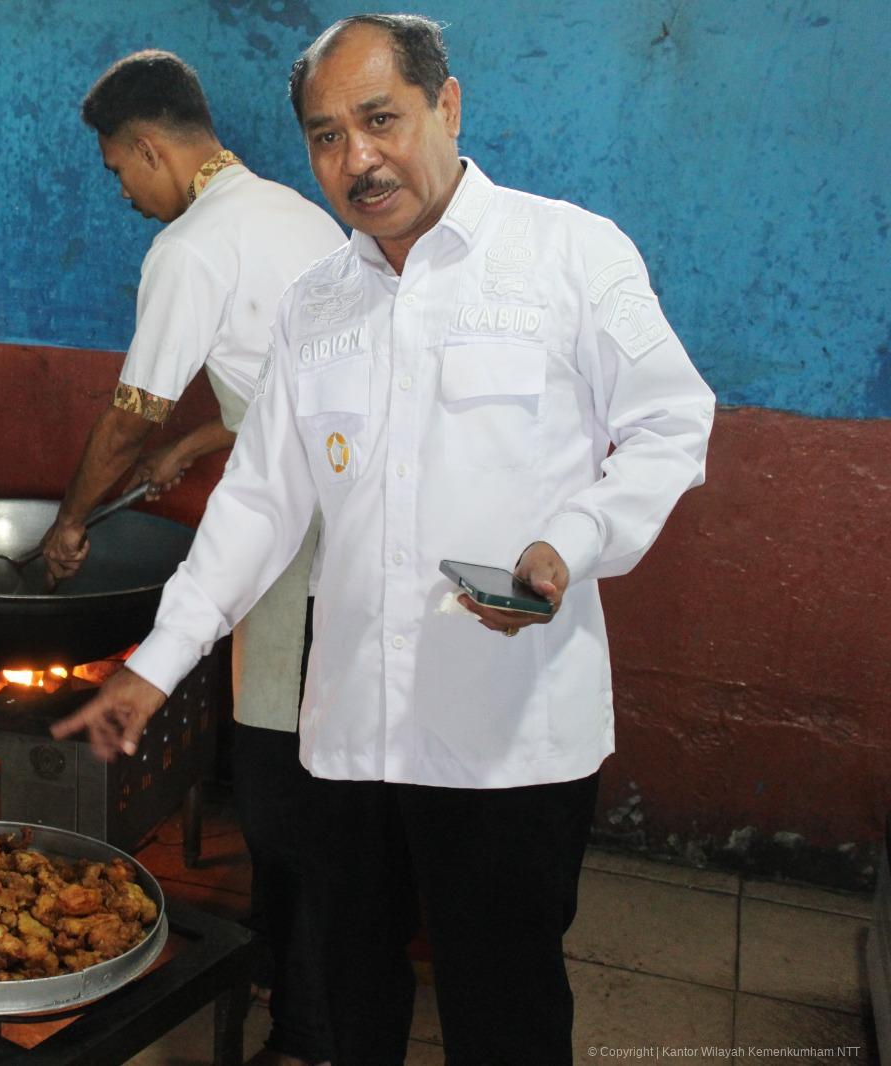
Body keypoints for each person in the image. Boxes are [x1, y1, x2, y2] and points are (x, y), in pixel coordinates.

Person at [53, 15, 715, 1065]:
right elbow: (262, 502)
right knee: (352, 1002)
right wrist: (160, 659)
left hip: (509, 738)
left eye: (379, 119)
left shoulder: (569, 255)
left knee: (503, 1014)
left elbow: (671, 423)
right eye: (324, 135)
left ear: (446, 108)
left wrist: (574, 538)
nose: (355, 158)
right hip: (352, 736)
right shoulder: (318, 305)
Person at [39, 50, 345, 1066]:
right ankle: (280, 960)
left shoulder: (190, 245)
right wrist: (207, 440)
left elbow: (128, 418)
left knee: (279, 777)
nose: (121, 188)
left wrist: (68, 523)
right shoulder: (293, 215)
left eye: (117, 169)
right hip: (349, 510)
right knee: (314, 760)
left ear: (150, 146)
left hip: (302, 536)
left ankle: (306, 1024)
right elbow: (293, 380)